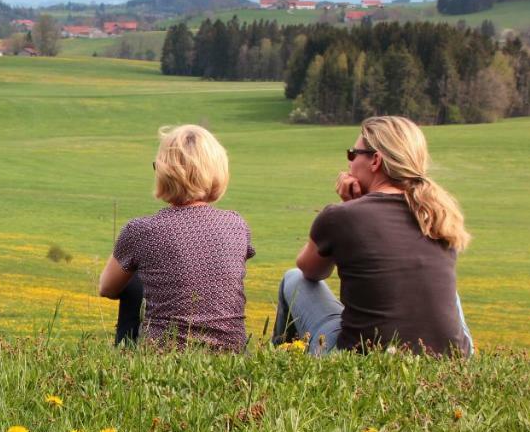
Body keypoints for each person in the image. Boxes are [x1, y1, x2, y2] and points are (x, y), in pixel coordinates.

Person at [273, 115, 473, 356]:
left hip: (363, 353)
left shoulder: (339, 216)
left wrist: (347, 207)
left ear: (375, 160)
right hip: (453, 355)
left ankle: (284, 359)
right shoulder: (438, 215)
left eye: (352, 154)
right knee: (448, 292)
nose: (349, 163)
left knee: (293, 279)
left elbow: (311, 271)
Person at [98, 124, 254, 350]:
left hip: (163, 355)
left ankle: (124, 359)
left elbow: (107, 288)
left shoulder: (141, 230)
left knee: (132, 281)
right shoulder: (237, 225)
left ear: (163, 173)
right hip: (233, 353)